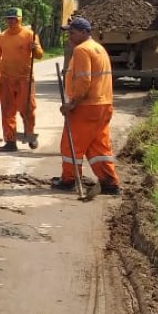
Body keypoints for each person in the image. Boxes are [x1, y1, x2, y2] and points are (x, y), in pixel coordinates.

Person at [54, 16, 120, 195]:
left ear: (84, 32)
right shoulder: (99, 48)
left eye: (72, 32)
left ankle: (69, 180)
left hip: (86, 106)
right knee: (98, 146)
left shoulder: (81, 50)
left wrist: (72, 103)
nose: (69, 35)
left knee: (71, 144)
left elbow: (84, 80)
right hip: (103, 104)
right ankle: (109, 183)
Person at [0, 7, 44, 152]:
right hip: (6, 79)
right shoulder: (1, 37)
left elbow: (39, 55)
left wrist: (35, 48)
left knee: (27, 109)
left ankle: (30, 136)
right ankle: (10, 141)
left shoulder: (29, 35)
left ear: (20, 19)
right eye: (8, 19)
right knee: (7, 111)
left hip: (24, 78)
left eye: (13, 19)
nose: (10, 21)